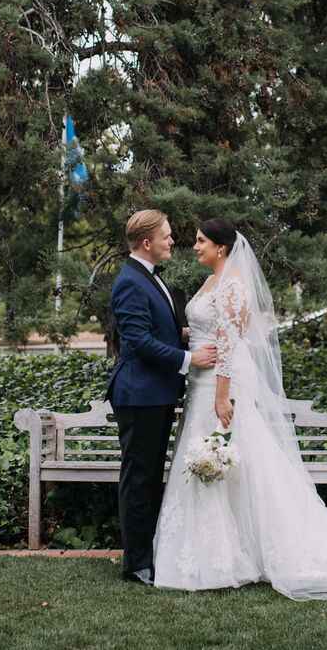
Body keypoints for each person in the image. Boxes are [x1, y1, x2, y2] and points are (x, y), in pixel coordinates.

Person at [153, 218, 327, 600]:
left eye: (201, 241)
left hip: (220, 387)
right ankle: (221, 553)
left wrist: (223, 397)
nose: (195, 246)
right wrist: (188, 342)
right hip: (200, 384)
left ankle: (232, 557)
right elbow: (209, 331)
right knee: (224, 462)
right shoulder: (211, 282)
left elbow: (229, 344)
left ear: (221, 247)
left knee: (227, 458)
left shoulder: (233, 285)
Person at [106, 209, 217, 586]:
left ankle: (149, 554)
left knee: (150, 477)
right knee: (139, 478)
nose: (173, 241)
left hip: (155, 394)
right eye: (167, 236)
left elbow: (154, 329)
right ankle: (137, 563)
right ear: (147, 242)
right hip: (138, 395)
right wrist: (189, 358)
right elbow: (136, 340)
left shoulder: (148, 279)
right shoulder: (129, 282)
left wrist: (182, 335)